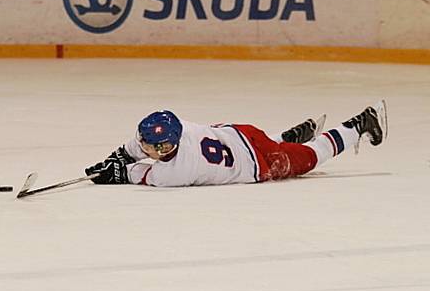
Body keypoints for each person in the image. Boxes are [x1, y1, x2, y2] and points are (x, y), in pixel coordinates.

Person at [85, 104, 387, 187]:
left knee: (312, 157)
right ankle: (287, 138)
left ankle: (361, 123)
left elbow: (136, 173)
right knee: (275, 144)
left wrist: (115, 173)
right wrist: (115, 157)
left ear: (164, 148)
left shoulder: (176, 174)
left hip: (259, 161)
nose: (142, 145)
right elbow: (134, 151)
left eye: (148, 144)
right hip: (244, 133)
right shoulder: (181, 127)